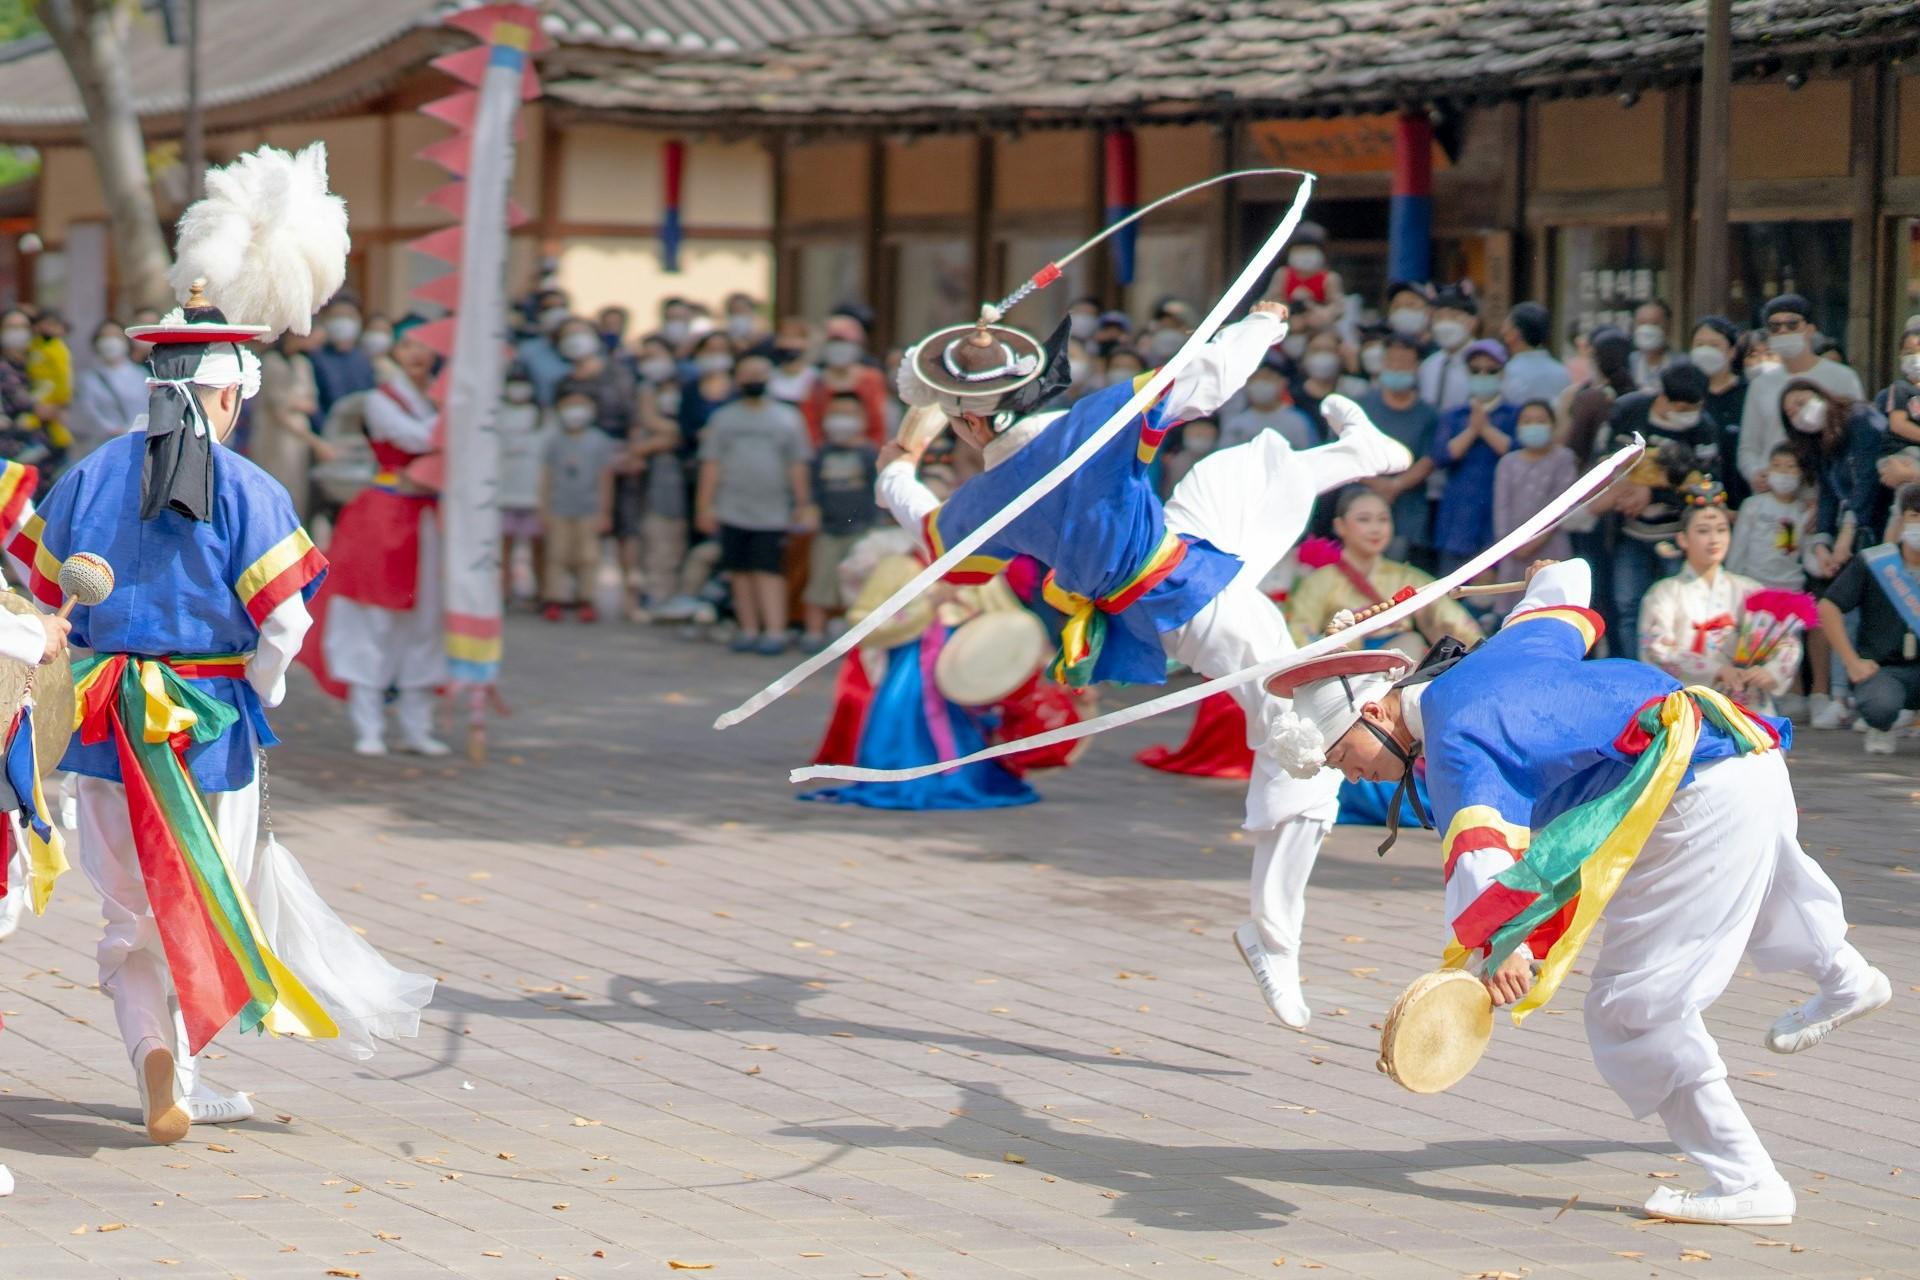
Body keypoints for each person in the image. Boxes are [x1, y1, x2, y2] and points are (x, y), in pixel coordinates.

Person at [16, 145, 431, 1145]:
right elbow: (286, 618)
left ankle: (158, 1060)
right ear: (231, 392)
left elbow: (40, 603)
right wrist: (263, 682)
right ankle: (185, 1071)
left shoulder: (85, 476)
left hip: (106, 722)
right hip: (212, 728)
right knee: (208, 888)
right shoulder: (251, 489)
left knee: (131, 909)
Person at [1269, 558, 1888, 1227]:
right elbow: (1570, 577)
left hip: (1691, 794)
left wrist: (1501, 944)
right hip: (1742, 751)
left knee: (1633, 1010)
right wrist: (1544, 570)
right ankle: (1846, 976)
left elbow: (1480, 853)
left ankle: (1747, 1179)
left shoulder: (1452, 738)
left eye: (1341, 756)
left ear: (1372, 709)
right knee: (1761, 886)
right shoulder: (1503, 649)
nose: (1351, 773)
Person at [876, 298, 1411, 1032]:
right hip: (1193, 601)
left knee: (1233, 476)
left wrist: (897, 467)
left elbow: (925, 524)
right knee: (1306, 742)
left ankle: (1369, 456)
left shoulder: (987, 500)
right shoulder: (1091, 421)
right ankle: (1272, 934)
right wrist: (1264, 323)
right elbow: (1208, 376)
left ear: (969, 423)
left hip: (1186, 557)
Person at [319, 323, 450, 757]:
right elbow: (423, 438)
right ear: (396, 350)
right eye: (410, 345)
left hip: (429, 517)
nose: (419, 355)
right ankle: (369, 726)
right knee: (370, 619)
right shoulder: (381, 401)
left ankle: (417, 726)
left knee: (427, 620)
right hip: (384, 517)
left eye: (427, 348)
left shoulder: (442, 399)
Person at [1593, 362, 1721, 658]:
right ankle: (1630, 670)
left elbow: (1708, 484)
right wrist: (1622, 491)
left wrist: (1654, 492)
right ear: (1662, 398)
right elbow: (1603, 464)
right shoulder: (1629, 412)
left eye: (1695, 407)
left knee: (1679, 607)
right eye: (1681, 407)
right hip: (1629, 531)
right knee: (1627, 605)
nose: (1688, 414)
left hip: (1676, 534)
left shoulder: (1704, 429)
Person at [1787, 379, 1894, 729]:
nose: (1800, 413)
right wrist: (1823, 541)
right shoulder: (1820, 445)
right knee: (1840, 610)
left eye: (1803, 402)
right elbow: (1830, 496)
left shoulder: (1861, 419)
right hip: (1850, 538)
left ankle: (1871, 699)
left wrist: (1847, 536)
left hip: (1877, 531)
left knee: (1876, 615)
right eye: (1791, 411)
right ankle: (1842, 696)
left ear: (1822, 394)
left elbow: (1866, 481)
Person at [1639, 487, 1801, 713]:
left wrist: (1771, 671)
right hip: (1686, 709)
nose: (1714, 539)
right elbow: (1657, 648)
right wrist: (1715, 669)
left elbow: (1786, 642)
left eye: (1721, 530)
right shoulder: (1664, 592)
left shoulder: (1751, 591)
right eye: (1703, 531)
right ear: (1683, 539)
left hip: (1745, 704)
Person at [696, 354, 815, 655]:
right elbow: (711, 464)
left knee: (768, 570)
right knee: (739, 570)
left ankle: (775, 630)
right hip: (732, 506)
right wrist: (704, 506)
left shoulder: (788, 417)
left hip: (773, 509)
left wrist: (803, 503)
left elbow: (797, 463)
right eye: (747, 374)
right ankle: (748, 628)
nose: (753, 380)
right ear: (737, 378)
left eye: (759, 373)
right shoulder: (723, 418)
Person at [1287, 486, 1479, 657]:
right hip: (1340, 668)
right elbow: (1300, 633)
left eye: (1383, 519)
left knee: (1411, 642)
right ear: (1340, 526)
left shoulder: (1406, 577)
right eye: (1364, 520)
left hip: (1397, 665)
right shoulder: (1320, 581)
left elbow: (1450, 620)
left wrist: (1481, 648)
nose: (1376, 529)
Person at [1819, 483, 1920, 754]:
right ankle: (1880, 726)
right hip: (1882, 670)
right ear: (1902, 519)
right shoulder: (1877, 562)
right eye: (1914, 516)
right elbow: (1828, 606)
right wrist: (1851, 661)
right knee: (1880, 704)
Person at [1738, 293, 1865, 492]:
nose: (1783, 331)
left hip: (1823, 489)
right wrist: (1754, 472)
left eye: (1792, 324)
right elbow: (1748, 447)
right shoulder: (1760, 385)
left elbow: (1857, 439)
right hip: (1773, 493)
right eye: (1775, 327)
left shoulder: (1842, 377)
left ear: (1810, 329)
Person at [801, 392, 880, 649]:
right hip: (828, 528)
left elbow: (877, 489)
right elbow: (812, 488)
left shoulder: (870, 454)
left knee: (858, 583)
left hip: (862, 529)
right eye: (836, 414)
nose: (841, 421)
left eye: (848, 414)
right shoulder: (821, 453)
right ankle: (813, 632)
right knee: (820, 581)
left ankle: (854, 636)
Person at [1430, 339, 1516, 574]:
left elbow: (1518, 452)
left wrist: (1486, 430)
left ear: (1503, 373)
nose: (1483, 375)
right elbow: (1441, 456)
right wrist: (1472, 430)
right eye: (1475, 370)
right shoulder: (1454, 416)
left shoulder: (1514, 414)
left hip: (1498, 519)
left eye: (1491, 370)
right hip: (1457, 521)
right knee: (1449, 592)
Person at [1356, 335, 1440, 565]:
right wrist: (1377, 483)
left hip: (1408, 511)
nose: (1396, 368)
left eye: (1403, 364)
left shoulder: (1428, 414)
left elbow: (1429, 458)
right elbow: (1349, 450)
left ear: (1416, 368)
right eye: (1391, 362)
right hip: (1363, 499)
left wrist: (1396, 485)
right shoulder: (1362, 406)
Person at [540, 381, 620, 623]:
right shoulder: (554, 440)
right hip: (559, 506)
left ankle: (586, 599)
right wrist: (543, 509)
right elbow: (546, 477)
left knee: (588, 557)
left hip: (589, 508)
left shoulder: (599, 441)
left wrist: (605, 511)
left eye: (581, 405)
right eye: (569, 405)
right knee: (557, 555)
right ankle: (555, 598)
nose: (575, 411)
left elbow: (606, 478)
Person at [1491, 398, 1579, 596]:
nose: (1533, 426)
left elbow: (1563, 503)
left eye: (1540, 421)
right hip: (1513, 550)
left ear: (1553, 425)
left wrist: (1533, 541)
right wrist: (1513, 546)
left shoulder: (1563, 458)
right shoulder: (1508, 463)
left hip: (1552, 544)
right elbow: (1501, 510)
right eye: (1527, 421)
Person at [251, 328, 331, 520]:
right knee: (273, 492)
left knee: (298, 494)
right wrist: (316, 442)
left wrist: (294, 403)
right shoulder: (272, 362)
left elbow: (310, 403)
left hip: (299, 439)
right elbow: (279, 410)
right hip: (274, 439)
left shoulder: (302, 363)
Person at [1727, 444, 1813, 594]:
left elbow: (1809, 555)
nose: (1784, 472)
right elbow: (1738, 549)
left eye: (1790, 466)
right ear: (1768, 470)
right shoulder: (1753, 505)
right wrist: (1730, 584)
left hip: (1791, 589)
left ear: (1802, 473)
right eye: (1776, 466)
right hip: (1753, 586)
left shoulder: (1803, 511)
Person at [496, 362, 547, 604]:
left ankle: (542, 591)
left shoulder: (542, 415)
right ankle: (504, 590)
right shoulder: (497, 413)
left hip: (534, 492)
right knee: (504, 546)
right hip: (504, 490)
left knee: (538, 545)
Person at [802, 311, 888, 445]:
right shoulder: (815, 381)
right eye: (833, 342)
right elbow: (810, 424)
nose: (839, 348)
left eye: (845, 342)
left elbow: (879, 423)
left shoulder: (872, 378)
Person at [1690, 315, 1750, 506]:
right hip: (1695, 498)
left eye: (1714, 345)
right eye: (1699, 345)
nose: (1705, 351)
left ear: (1732, 351)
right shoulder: (1687, 396)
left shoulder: (1749, 393)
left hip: (1741, 500)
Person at [73, 320, 150, 452]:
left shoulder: (141, 375)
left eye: (116, 336)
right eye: (105, 336)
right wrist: (111, 430)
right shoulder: (88, 379)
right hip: (101, 446)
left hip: (137, 443)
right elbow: (86, 411)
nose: (110, 341)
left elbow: (149, 406)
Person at [306, 296, 376, 426]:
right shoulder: (314, 358)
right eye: (337, 316)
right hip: (325, 436)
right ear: (325, 320)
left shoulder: (363, 360)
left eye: (349, 316)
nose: (343, 321)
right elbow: (311, 403)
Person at [1417, 286, 1478, 413]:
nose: (1445, 324)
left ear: (1473, 321)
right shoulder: (1428, 365)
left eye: (1454, 316)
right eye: (1439, 317)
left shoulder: (1484, 363)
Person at [1498, 301, 1570, 407]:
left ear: (1515, 333)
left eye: (1506, 324)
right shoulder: (1562, 372)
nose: (1502, 330)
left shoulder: (1509, 372)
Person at [515, 287, 575, 404]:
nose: (555, 313)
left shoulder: (587, 349)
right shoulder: (527, 350)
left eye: (560, 307)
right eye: (548, 308)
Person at [1628, 297, 1676, 391]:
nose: (1647, 329)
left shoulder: (1681, 365)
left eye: (1655, 324)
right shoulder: (1628, 364)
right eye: (1642, 323)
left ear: (1668, 327)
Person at [1383, 280, 1431, 347]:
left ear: (1429, 310)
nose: (1403, 311)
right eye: (1397, 306)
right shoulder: (1386, 347)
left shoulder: (1441, 348)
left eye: (1410, 304)